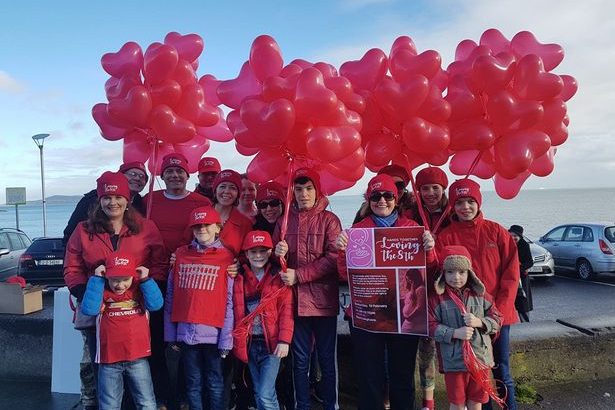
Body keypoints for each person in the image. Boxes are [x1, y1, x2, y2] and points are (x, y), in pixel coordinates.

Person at [63, 171, 167, 408]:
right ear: (99, 200)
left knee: (139, 367)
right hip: (98, 310)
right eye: (107, 197)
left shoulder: (146, 228)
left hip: (136, 309)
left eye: (118, 196)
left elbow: (159, 261)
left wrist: (151, 286)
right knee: (104, 367)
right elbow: (72, 265)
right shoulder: (83, 230)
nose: (113, 202)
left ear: (127, 199)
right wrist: (84, 292)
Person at [336, 174, 436, 410]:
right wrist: (341, 252)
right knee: (369, 377)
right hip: (368, 316)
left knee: (402, 377)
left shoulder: (413, 229)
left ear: (396, 198)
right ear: (368, 200)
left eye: (388, 195)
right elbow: (344, 275)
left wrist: (430, 250)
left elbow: (430, 271)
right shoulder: (356, 231)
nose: (382, 200)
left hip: (404, 315)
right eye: (376, 196)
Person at [436, 178, 520, 410]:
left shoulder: (497, 232)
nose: (465, 207)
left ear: (478, 203)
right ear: (453, 206)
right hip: (463, 319)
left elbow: (511, 275)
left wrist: (497, 315)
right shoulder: (446, 236)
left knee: (501, 368)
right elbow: (441, 277)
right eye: (460, 202)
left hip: (496, 316)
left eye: (470, 201)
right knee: (475, 372)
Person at [143, 152, 212, 409]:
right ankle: (162, 395)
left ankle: (186, 394)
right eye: (169, 172)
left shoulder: (200, 201)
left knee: (187, 339)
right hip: (155, 277)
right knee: (157, 338)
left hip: (189, 277)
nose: (174, 176)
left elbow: (210, 233)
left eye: (179, 171)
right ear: (162, 176)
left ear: (187, 175)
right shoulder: (149, 200)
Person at [273, 168, 342, 410]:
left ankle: (330, 405)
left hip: (322, 302)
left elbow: (333, 258)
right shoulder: (284, 221)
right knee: (299, 360)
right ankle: (301, 405)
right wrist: (277, 254)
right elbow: (275, 261)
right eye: (299, 189)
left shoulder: (330, 220)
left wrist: (299, 275)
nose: (303, 194)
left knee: (326, 359)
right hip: (293, 302)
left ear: (317, 190)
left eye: (309, 188)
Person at [164, 206, 235, 410]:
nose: (201, 229)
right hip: (186, 334)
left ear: (217, 228)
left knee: (215, 382)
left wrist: (226, 339)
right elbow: (171, 296)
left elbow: (229, 302)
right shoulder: (180, 255)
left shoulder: (226, 258)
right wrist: (171, 335)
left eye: (206, 225)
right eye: (196, 226)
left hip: (214, 335)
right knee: (192, 383)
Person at [81, 251, 164, 410]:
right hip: (109, 359)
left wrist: (146, 279)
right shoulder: (101, 292)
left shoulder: (139, 291)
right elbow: (89, 309)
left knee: (146, 402)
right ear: (106, 276)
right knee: (109, 405)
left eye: (125, 279)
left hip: (138, 357)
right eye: (114, 280)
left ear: (134, 276)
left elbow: (156, 305)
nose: (119, 285)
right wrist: (97, 279)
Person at [429, 245, 502, 410]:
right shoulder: (437, 299)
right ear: (443, 273)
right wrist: (454, 333)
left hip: (480, 359)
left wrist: (480, 322)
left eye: (462, 272)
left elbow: (497, 319)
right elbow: (430, 326)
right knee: (457, 402)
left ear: (470, 273)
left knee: (476, 400)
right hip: (454, 362)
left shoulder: (481, 295)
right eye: (450, 272)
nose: (456, 277)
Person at [233, 230, 294, 410]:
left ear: (270, 252)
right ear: (246, 253)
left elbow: (286, 311)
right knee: (259, 393)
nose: (258, 256)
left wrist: (284, 340)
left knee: (264, 394)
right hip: (250, 344)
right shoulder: (239, 278)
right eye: (253, 251)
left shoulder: (279, 276)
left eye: (262, 251)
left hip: (272, 345)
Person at [409, 166, 450, 410]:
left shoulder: (453, 214)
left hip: (443, 289)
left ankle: (430, 401)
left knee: (431, 349)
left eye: (435, 187)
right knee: (417, 349)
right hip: (415, 288)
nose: (430, 193)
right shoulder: (411, 214)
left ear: (443, 188)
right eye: (425, 188)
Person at [63, 161, 149, 246]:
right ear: (120, 176)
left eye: (142, 177)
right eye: (133, 174)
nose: (138, 178)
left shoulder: (140, 202)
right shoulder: (91, 200)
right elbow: (71, 235)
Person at [212, 169, 253, 257]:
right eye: (222, 186)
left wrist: (238, 263)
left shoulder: (245, 223)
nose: (227, 191)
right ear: (215, 190)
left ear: (238, 194)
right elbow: (186, 245)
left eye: (232, 188)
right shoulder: (199, 214)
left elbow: (247, 255)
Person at [508, 225, 534, 322]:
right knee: (508, 299)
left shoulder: (524, 245)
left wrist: (518, 267)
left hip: (521, 277)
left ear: (520, 236)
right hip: (508, 276)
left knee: (523, 301)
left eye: (516, 236)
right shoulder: (506, 243)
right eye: (511, 235)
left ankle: (526, 323)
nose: (513, 238)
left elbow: (530, 262)